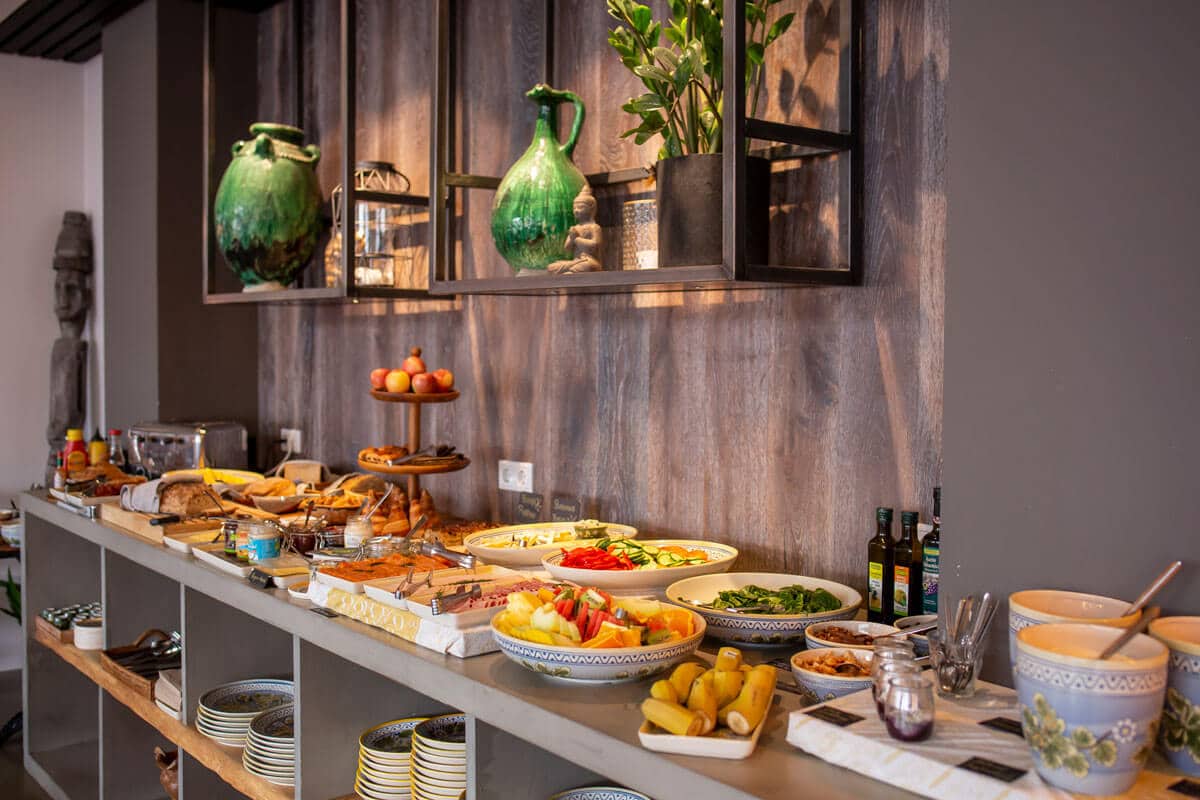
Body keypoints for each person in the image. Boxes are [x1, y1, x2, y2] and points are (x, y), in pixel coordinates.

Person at [548, 186, 603, 274]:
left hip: (589, 260)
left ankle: (571, 273)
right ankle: (571, 272)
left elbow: (594, 245)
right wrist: (571, 238)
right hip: (576, 261)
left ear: (591, 208)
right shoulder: (575, 228)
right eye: (574, 208)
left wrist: (576, 239)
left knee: (587, 266)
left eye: (581, 207)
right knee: (552, 267)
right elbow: (567, 248)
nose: (576, 210)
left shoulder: (594, 227)